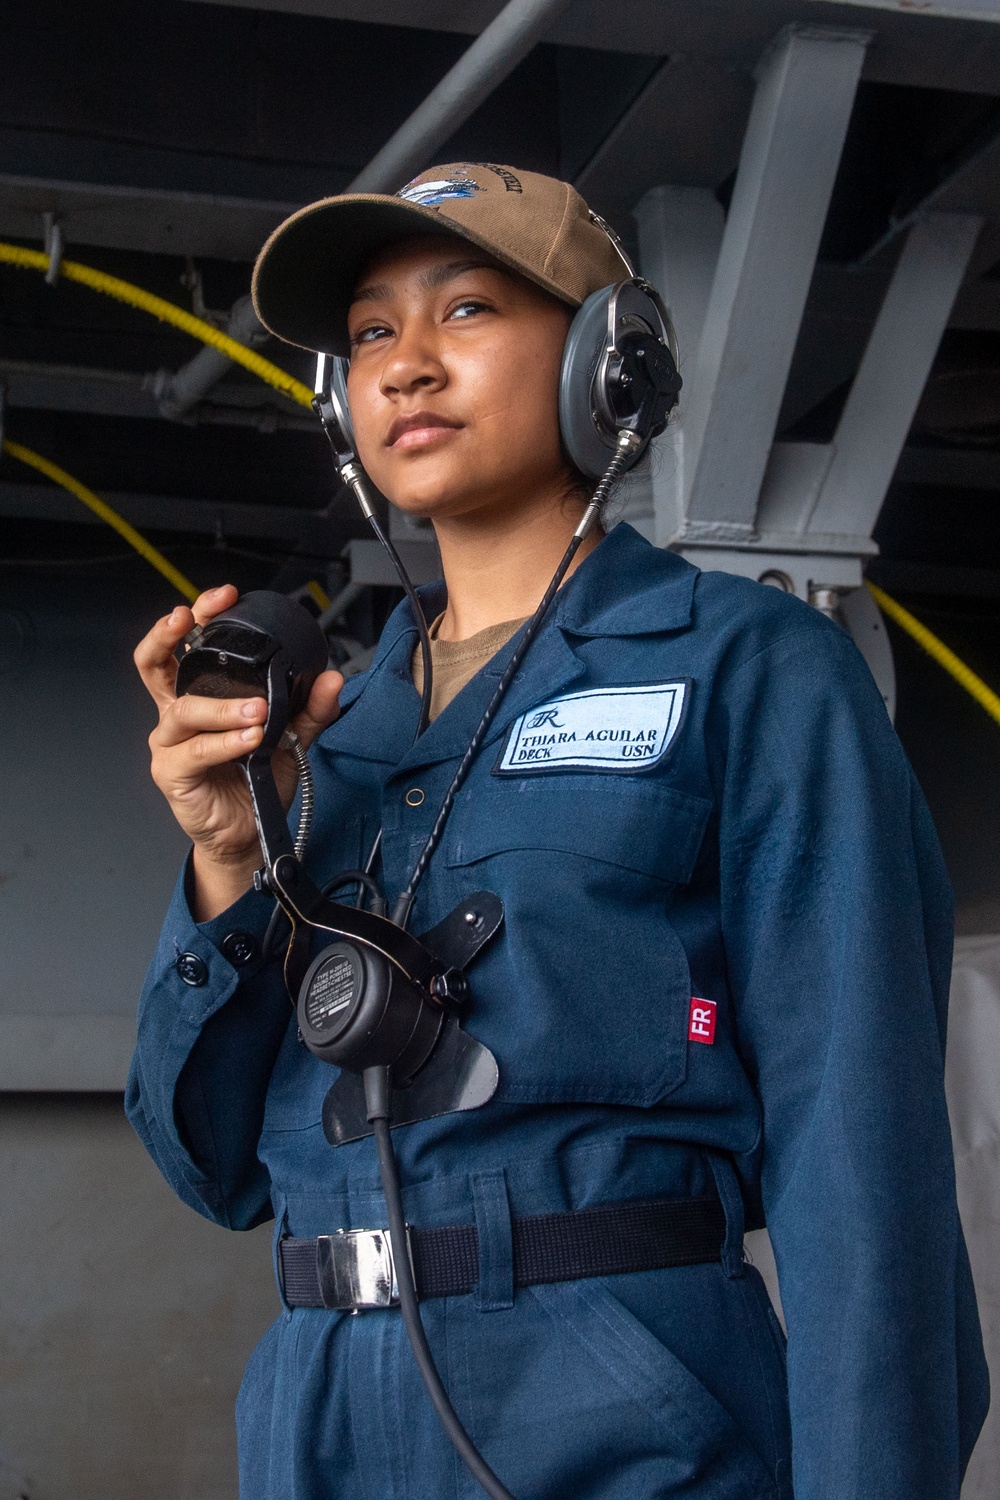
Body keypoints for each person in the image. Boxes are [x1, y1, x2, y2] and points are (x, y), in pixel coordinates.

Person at [128, 162, 988, 1500]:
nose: (404, 366)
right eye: (367, 334)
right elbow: (218, 1170)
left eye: (464, 311)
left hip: (629, 1420)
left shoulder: (748, 674)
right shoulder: (325, 741)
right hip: (320, 1424)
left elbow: (861, 1166)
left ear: (613, 367)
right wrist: (231, 862)